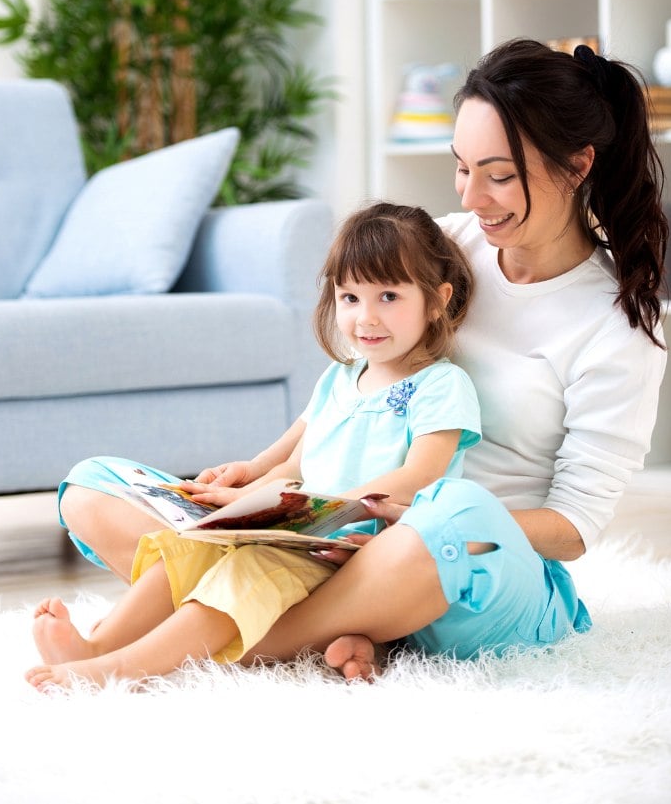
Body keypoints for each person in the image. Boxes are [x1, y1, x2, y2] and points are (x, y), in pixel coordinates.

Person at [52, 37, 668, 681]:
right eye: (462, 168)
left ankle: (228, 639)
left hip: (470, 567)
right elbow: (353, 388)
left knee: (456, 511)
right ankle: (348, 622)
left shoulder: (617, 327)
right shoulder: (441, 247)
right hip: (345, 537)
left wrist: (411, 520)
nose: (473, 198)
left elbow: (573, 528)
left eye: (501, 175)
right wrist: (261, 487)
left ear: (577, 166)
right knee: (94, 486)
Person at [26, 202, 481, 689]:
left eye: (388, 296)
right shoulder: (340, 379)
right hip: (296, 536)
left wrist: (319, 507)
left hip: (358, 551)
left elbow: (421, 476)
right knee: (190, 548)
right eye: (350, 298)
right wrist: (247, 481)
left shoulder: (441, 384)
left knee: (243, 574)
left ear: (436, 300)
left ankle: (117, 670)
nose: (366, 318)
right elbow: (287, 458)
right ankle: (99, 645)